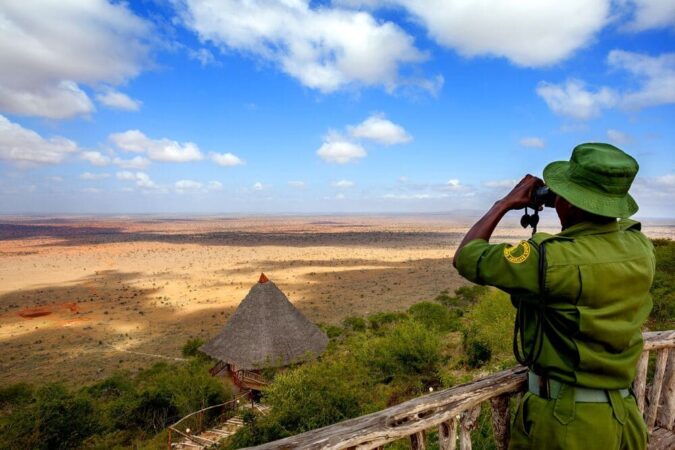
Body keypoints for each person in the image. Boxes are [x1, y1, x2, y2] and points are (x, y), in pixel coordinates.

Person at [453, 143, 655, 450]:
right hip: (623, 416)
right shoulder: (641, 248)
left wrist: (504, 203)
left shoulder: (553, 259)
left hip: (568, 424)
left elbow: (467, 257)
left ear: (570, 204)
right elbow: (611, 230)